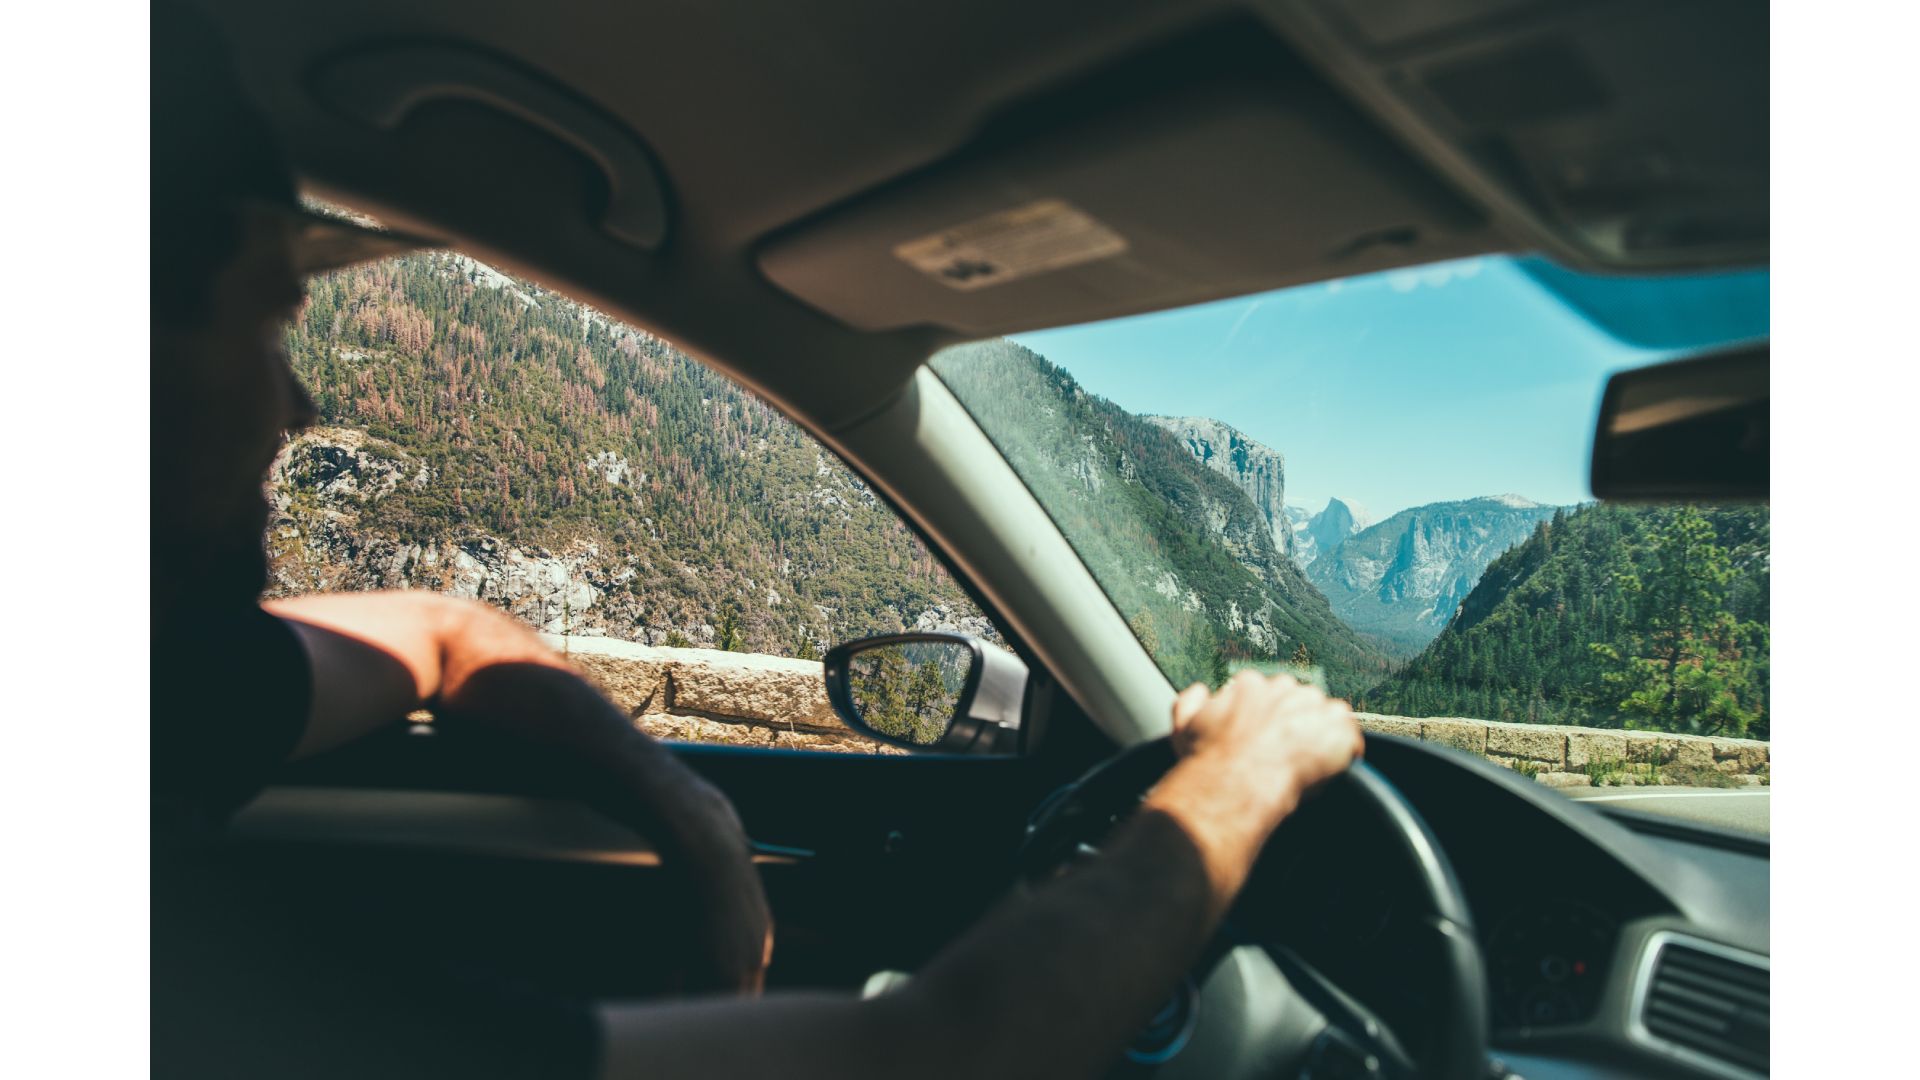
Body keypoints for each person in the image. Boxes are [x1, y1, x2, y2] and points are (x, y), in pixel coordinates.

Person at [150, 8, 1365, 1079]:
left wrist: (696, 815)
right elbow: (936, 1055)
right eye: (268, 321)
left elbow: (447, 631)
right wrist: (1245, 770)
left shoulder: (171, 694)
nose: (298, 406)